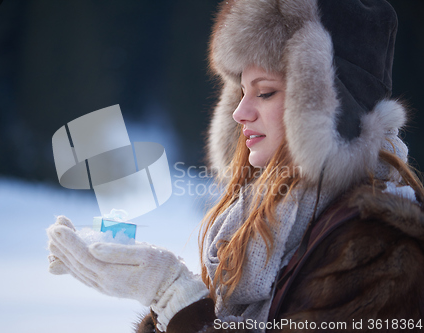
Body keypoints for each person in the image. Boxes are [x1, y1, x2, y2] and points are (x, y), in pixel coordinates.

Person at [46, 0, 424, 332]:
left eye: (264, 92)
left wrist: (177, 299)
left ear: (328, 111)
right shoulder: (258, 224)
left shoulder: (383, 249)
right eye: (241, 92)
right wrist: (164, 303)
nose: (239, 113)